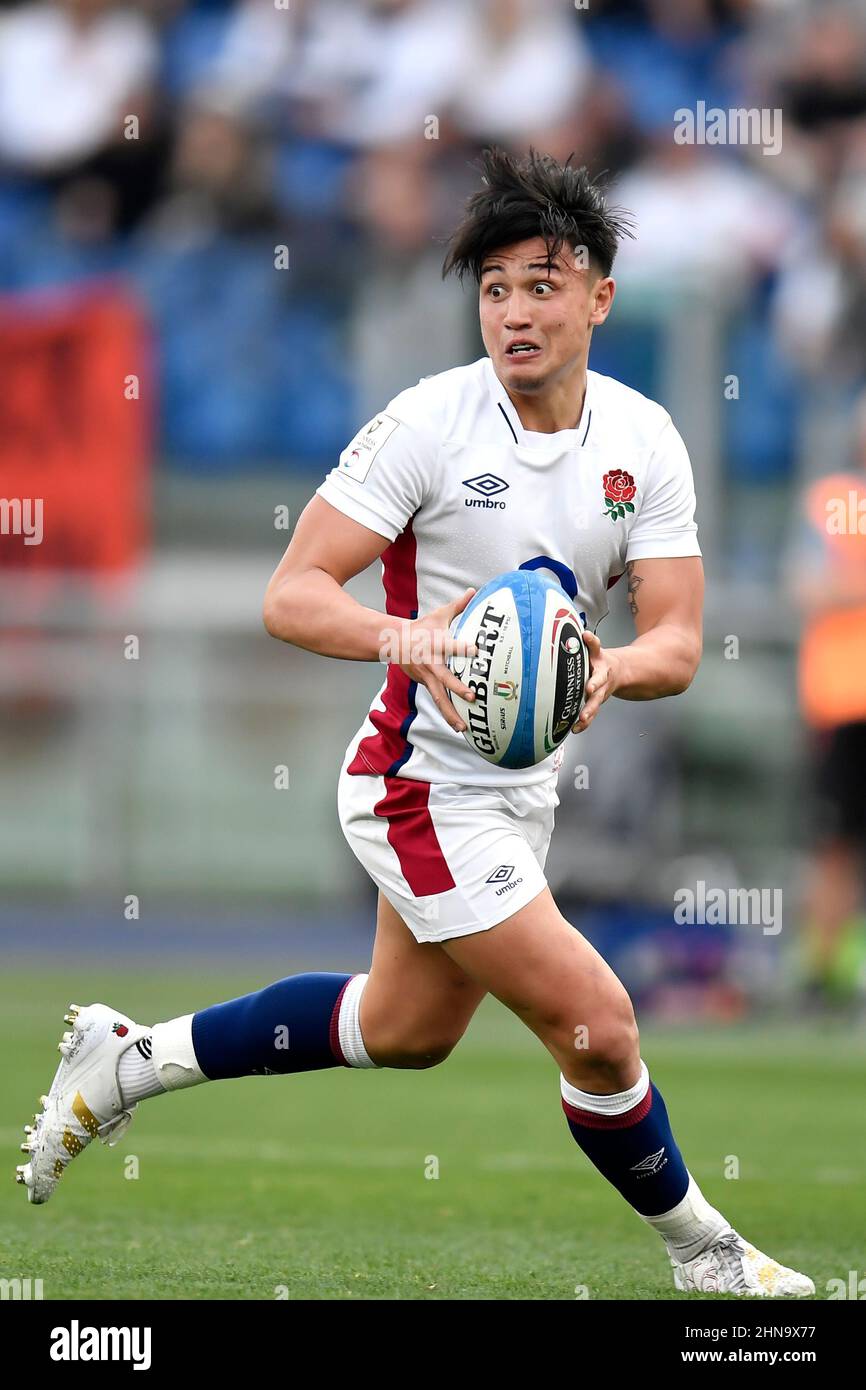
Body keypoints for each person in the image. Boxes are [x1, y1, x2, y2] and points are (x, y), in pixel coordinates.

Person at [17, 148, 814, 1298]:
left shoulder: (643, 441)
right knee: (596, 1024)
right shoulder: (428, 425)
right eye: (493, 288)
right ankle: (707, 1256)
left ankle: (128, 1059)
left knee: (403, 1028)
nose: (514, 311)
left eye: (542, 284)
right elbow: (289, 595)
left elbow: (678, 642)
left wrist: (609, 670)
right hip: (417, 783)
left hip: (518, 786)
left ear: (598, 297)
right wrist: (410, 639)